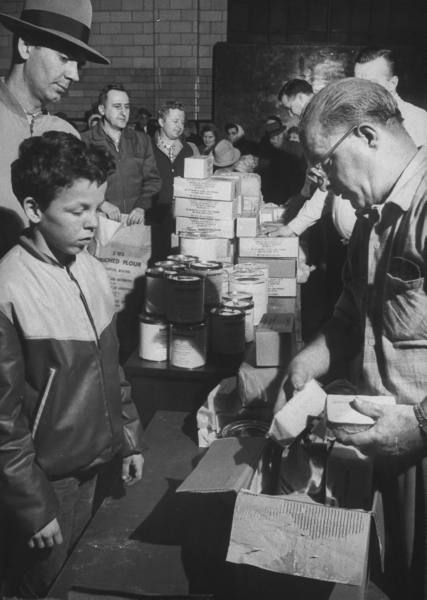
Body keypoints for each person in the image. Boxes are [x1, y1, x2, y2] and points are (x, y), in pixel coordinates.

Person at [279, 77, 427, 600]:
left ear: (366, 135)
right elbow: (349, 314)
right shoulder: (370, 219)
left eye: (326, 164)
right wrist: (308, 360)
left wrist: (422, 427)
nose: (326, 185)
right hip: (382, 444)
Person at [0, 131, 145, 598]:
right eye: (77, 211)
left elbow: (112, 369)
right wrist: (31, 504)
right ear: (34, 208)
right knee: (42, 584)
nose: (92, 225)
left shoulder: (92, 269)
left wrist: (128, 437)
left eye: (97, 210)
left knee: (80, 576)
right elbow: (3, 421)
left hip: (99, 461)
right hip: (48, 481)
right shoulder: (9, 288)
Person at [0, 0, 109, 251]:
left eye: (78, 64)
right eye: (64, 58)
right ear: (25, 46)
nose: (75, 75)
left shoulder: (66, 134)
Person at [82, 84, 161, 225]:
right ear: (102, 109)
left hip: (135, 221)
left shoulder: (142, 140)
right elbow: (79, 184)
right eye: (117, 107)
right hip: (99, 220)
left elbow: (153, 181)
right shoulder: (85, 141)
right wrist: (101, 203)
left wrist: (142, 207)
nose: (123, 112)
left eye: (127, 107)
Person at [149, 100, 197, 262]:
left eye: (182, 122)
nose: (179, 126)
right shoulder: (148, 147)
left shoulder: (188, 149)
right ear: (161, 122)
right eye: (175, 121)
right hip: (153, 217)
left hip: (180, 219)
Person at [354, 46, 427, 148]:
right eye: (357, 83)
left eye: (371, 83)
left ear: (392, 83)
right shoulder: (353, 120)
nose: (361, 90)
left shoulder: (418, 120)